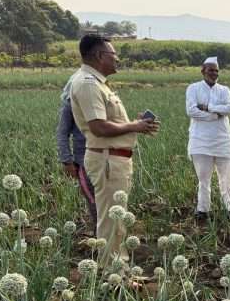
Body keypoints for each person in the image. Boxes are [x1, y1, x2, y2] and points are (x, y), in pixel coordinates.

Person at [70, 34, 160, 266]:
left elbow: (108, 122)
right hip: (107, 159)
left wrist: (135, 126)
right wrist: (135, 126)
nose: (117, 59)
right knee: (112, 219)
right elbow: (98, 127)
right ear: (100, 56)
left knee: (116, 218)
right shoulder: (88, 84)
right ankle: (115, 276)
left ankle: (118, 269)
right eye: (113, 54)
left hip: (114, 159)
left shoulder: (97, 83)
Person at [185, 57, 230, 221]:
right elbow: (191, 111)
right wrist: (216, 116)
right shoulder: (193, 88)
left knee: (227, 179)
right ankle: (202, 210)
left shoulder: (224, 90)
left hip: (223, 141)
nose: (214, 73)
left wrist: (208, 108)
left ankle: (229, 210)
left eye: (216, 70)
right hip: (200, 141)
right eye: (211, 70)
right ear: (203, 71)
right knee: (203, 179)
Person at [56, 75, 97, 226]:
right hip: (83, 162)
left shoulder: (98, 103)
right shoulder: (69, 105)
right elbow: (62, 133)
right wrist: (67, 161)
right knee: (94, 205)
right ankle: (100, 243)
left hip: (104, 160)